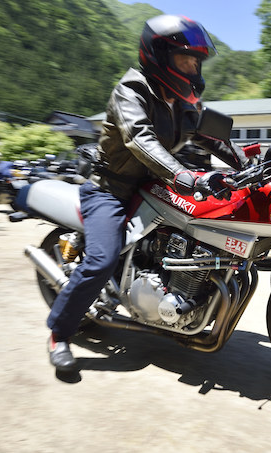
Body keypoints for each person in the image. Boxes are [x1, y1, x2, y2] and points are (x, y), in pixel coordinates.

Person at [47, 15, 249, 371]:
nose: (193, 67)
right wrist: (182, 173)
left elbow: (211, 138)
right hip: (112, 188)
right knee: (100, 260)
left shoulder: (183, 103)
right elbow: (139, 138)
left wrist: (246, 165)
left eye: (196, 61)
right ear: (161, 56)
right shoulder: (131, 90)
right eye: (186, 59)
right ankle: (59, 333)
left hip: (156, 185)